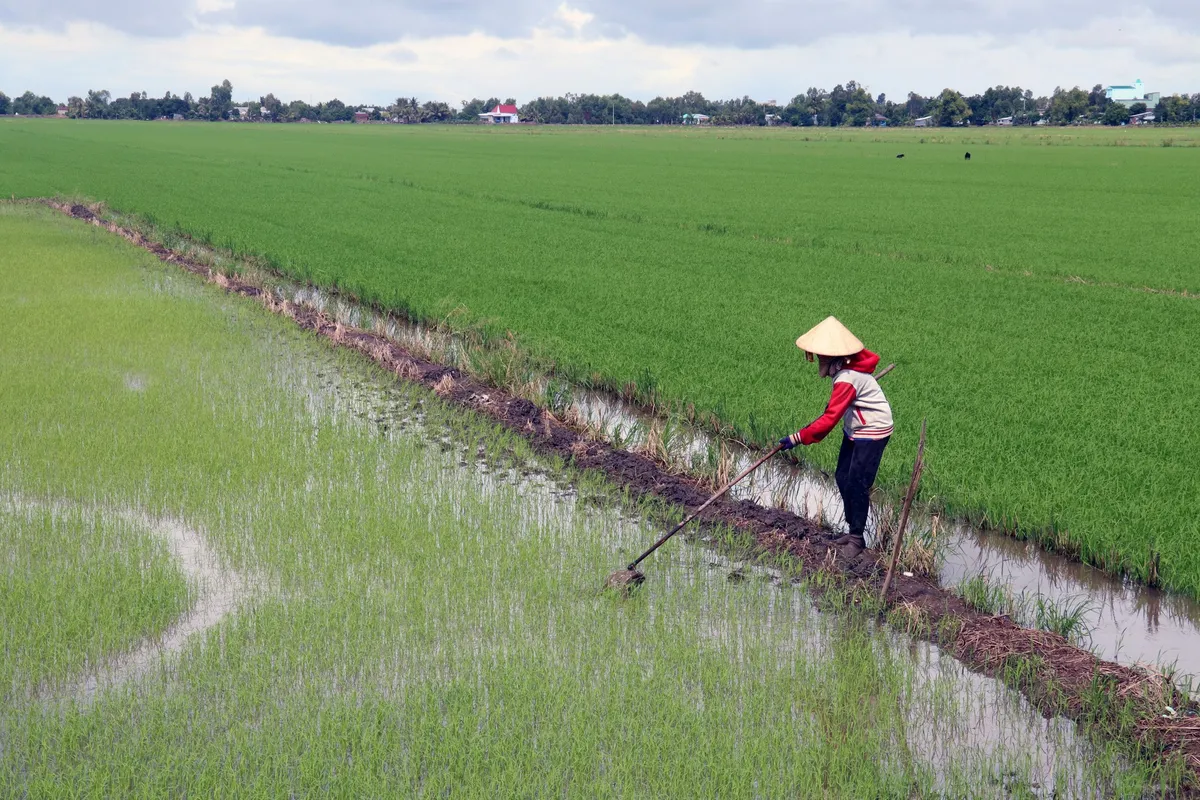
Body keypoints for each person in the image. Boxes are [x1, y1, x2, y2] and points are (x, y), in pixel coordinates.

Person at [778, 316, 893, 555]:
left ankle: (857, 540)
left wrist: (796, 438)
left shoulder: (847, 379)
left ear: (834, 358)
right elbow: (833, 412)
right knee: (842, 476)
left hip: (872, 431)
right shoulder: (844, 375)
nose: (818, 360)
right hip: (855, 429)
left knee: (857, 483)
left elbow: (829, 419)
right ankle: (852, 531)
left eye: (821, 356)